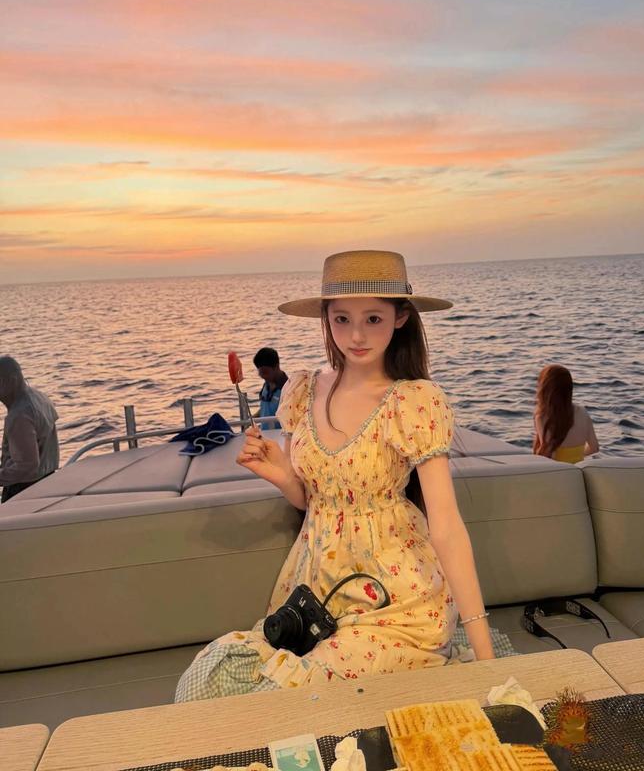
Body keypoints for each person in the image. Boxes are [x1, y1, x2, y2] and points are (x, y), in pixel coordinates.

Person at [175, 249, 500, 703]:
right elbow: (312, 501)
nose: (356, 335)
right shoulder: (303, 390)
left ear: (401, 317)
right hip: (317, 588)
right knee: (204, 680)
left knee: (291, 698)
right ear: (326, 318)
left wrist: (486, 657)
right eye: (342, 319)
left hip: (396, 597)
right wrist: (280, 473)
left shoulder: (413, 401)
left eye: (373, 319)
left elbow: (446, 526)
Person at [0, 356, 59, 503]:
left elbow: (27, 466)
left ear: (12, 381)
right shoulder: (39, 397)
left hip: (24, 492)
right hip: (48, 481)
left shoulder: (20, 415)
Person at [533, 364, 599, 464]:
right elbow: (594, 448)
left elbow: (548, 454)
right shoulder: (582, 411)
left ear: (545, 389)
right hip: (576, 470)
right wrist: (575, 456)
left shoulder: (543, 417)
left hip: (557, 471)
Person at [253, 347, 288, 430]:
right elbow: (265, 407)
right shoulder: (266, 385)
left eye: (265, 372)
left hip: (279, 434)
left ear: (276, 367)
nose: (262, 376)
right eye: (260, 372)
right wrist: (250, 419)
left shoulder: (287, 389)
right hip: (264, 432)